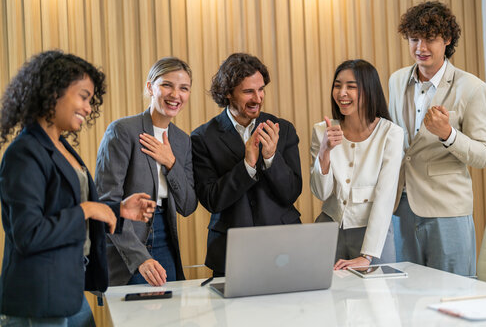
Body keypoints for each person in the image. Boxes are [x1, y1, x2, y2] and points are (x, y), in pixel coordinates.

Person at [0, 50, 155, 326]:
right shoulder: (24, 152)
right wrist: (87, 208)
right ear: (53, 91)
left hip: (69, 289)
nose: (88, 107)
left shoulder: (61, 146)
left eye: (90, 100)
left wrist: (116, 210)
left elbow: (62, 207)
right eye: (83, 96)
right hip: (40, 299)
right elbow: (28, 234)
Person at [389, 1, 486, 276]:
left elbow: (483, 155)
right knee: (407, 299)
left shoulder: (472, 88)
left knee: (453, 296)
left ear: (447, 39)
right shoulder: (396, 81)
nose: (420, 48)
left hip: (447, 210)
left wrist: (448, 134)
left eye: (430, 39)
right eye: (414, 39)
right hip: (402, 208)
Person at [191, 53, 302, 276]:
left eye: (261, 89)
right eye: (248, 91)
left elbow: (291, 192)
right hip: (231, 249)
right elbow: (212, 200)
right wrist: (247, 166)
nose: (258, 98)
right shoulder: (202, 138)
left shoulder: (283, 128)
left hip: (284, 245)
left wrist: (271, 158)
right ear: (228, 93)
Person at [95, 57, 197, 286]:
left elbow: (188, 206)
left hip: (165, 239)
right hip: (126, 239)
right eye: (167, 85)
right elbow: (106, 201)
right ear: (150, 87)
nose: (175, 95)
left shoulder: (182, 141)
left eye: (184, 88)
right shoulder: (122, 131)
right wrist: (140, 257)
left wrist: (171, 163)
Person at [310, 60, 403, 270]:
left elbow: (385, 197)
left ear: (369, 90)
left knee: (377, 300)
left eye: (351, 86)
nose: (342, 93)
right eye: (337, 85)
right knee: (328, 301)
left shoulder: (391, 133)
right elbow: (321, 193)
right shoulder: (321, 131)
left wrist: (367, 256)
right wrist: (324, 151)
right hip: (329, 231)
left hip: (373, 237)